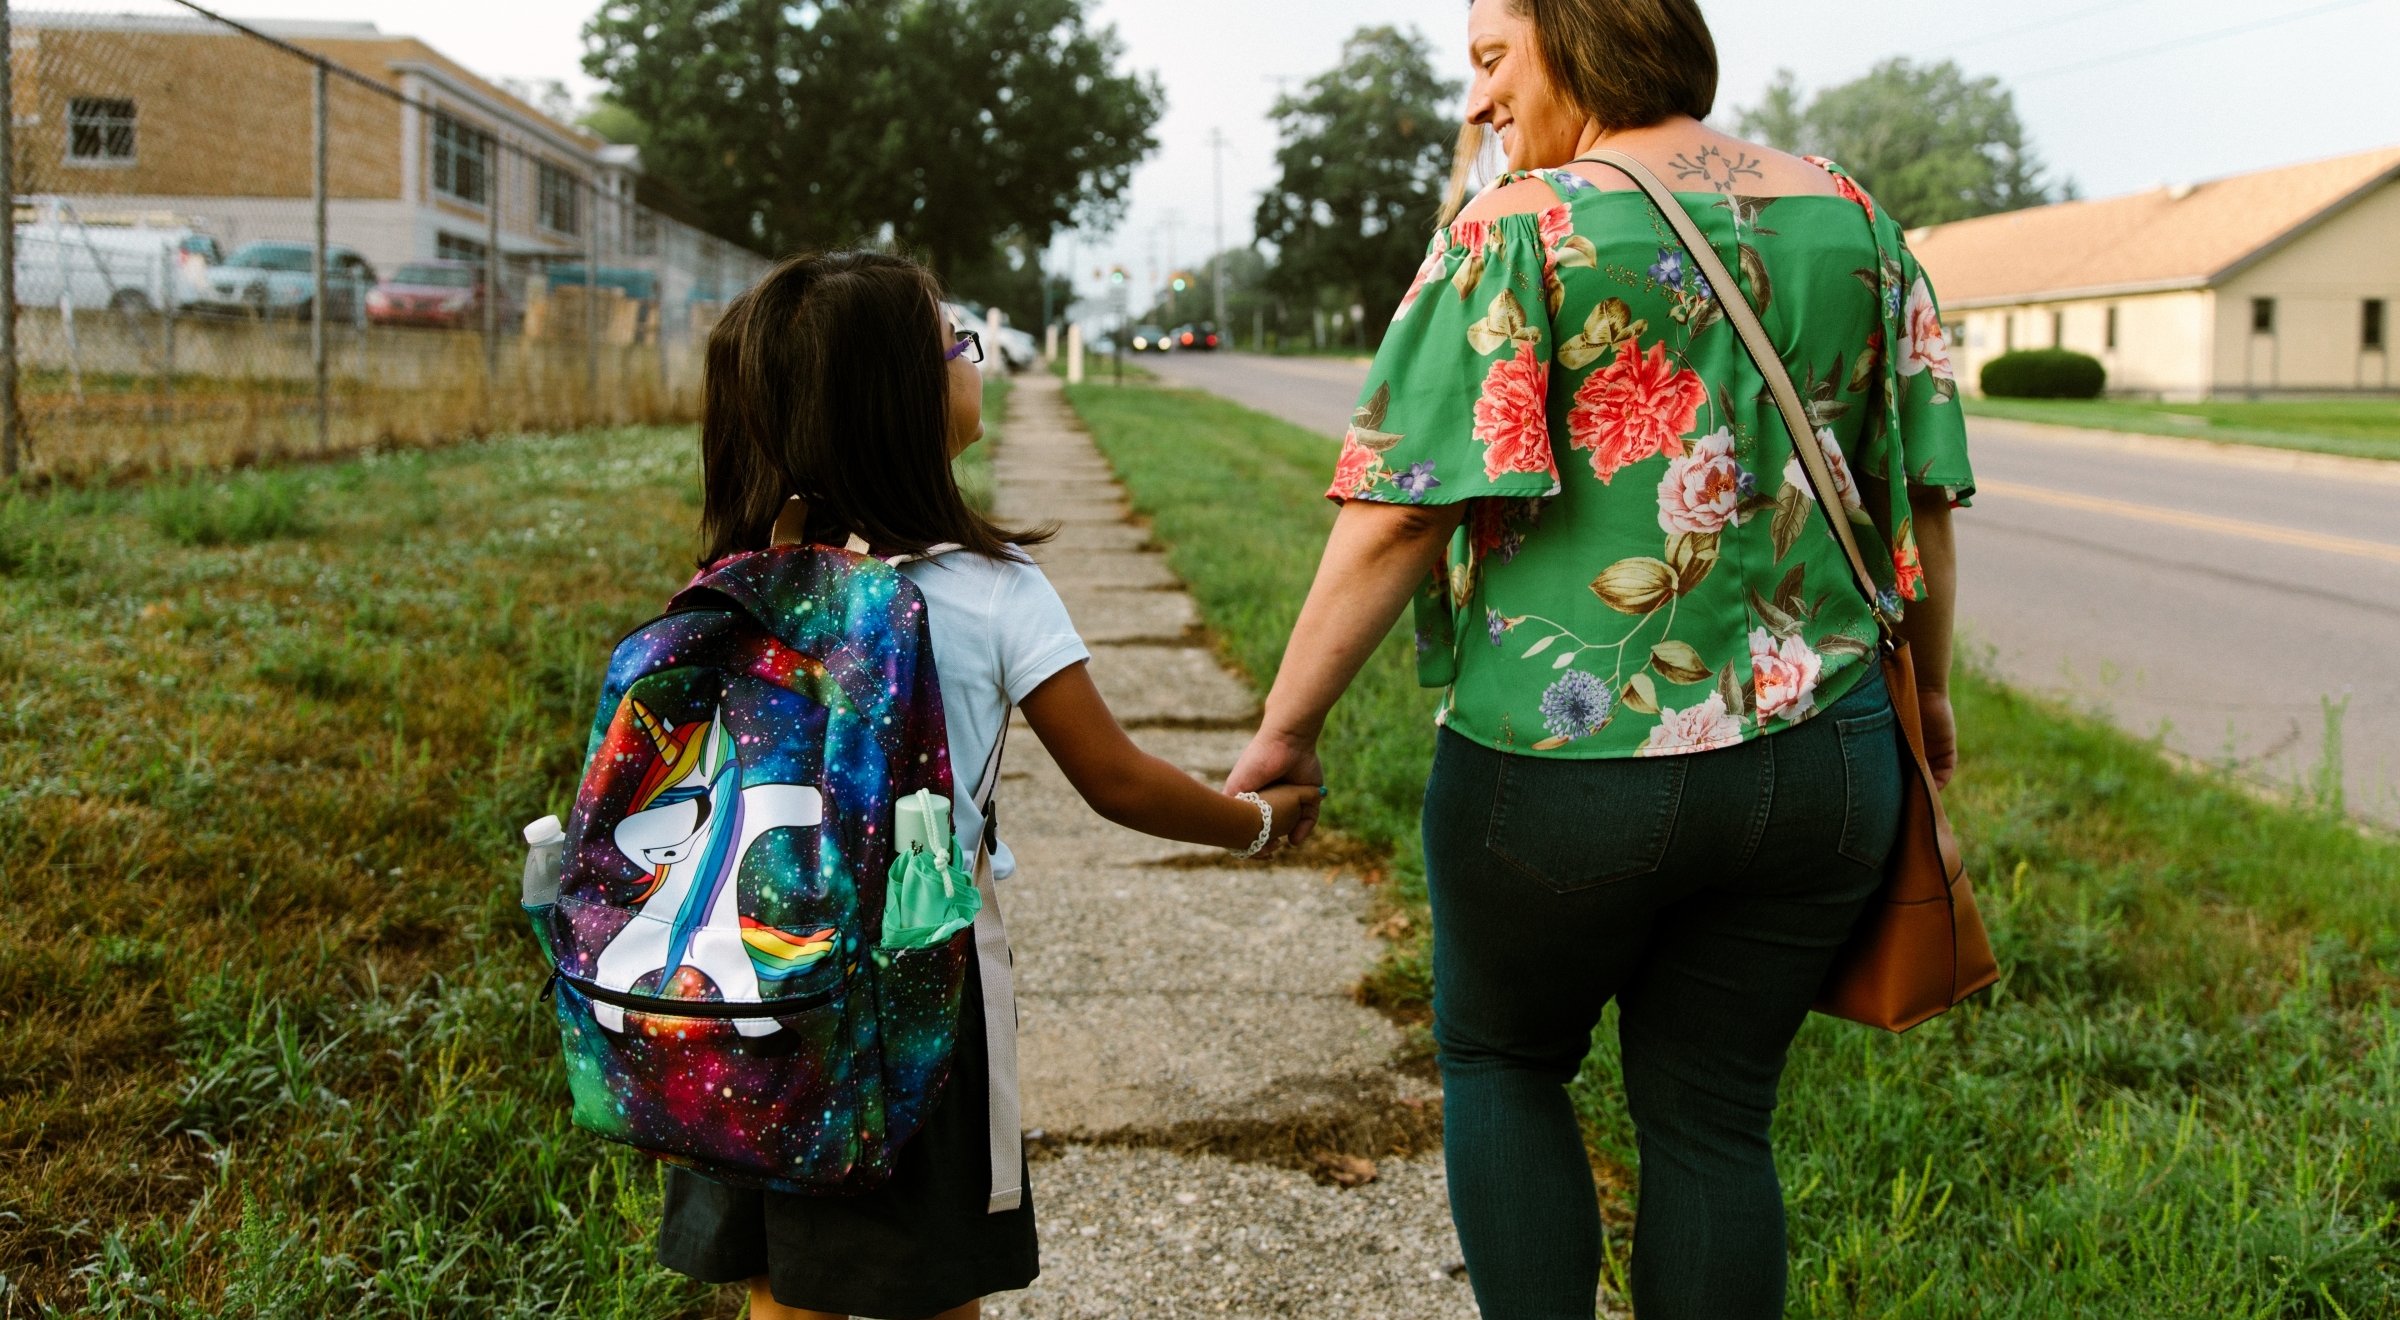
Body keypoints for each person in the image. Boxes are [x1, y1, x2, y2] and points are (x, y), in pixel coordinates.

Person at [1224, 1, 1973, 1316]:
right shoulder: (1856, 217)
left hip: (1561, 765)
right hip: (1827, 759)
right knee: (1714, 1123)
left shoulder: (1517, 229)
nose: (1478, 105)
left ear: (1577, 38)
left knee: (1506, 1062)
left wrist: (1287, 731)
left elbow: (1403, 507)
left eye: (1493, 61)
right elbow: (1921, 498)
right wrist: (1938, 698)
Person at [656, 249, 1321, 1320]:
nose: (973, 359)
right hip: (913, 990)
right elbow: (1117, 781)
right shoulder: (993, 589)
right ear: (905, 403)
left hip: (750, 980)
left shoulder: (737, 586)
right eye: (956, 345)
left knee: (785, 1277)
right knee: (930, 1283)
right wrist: (1256, 823)